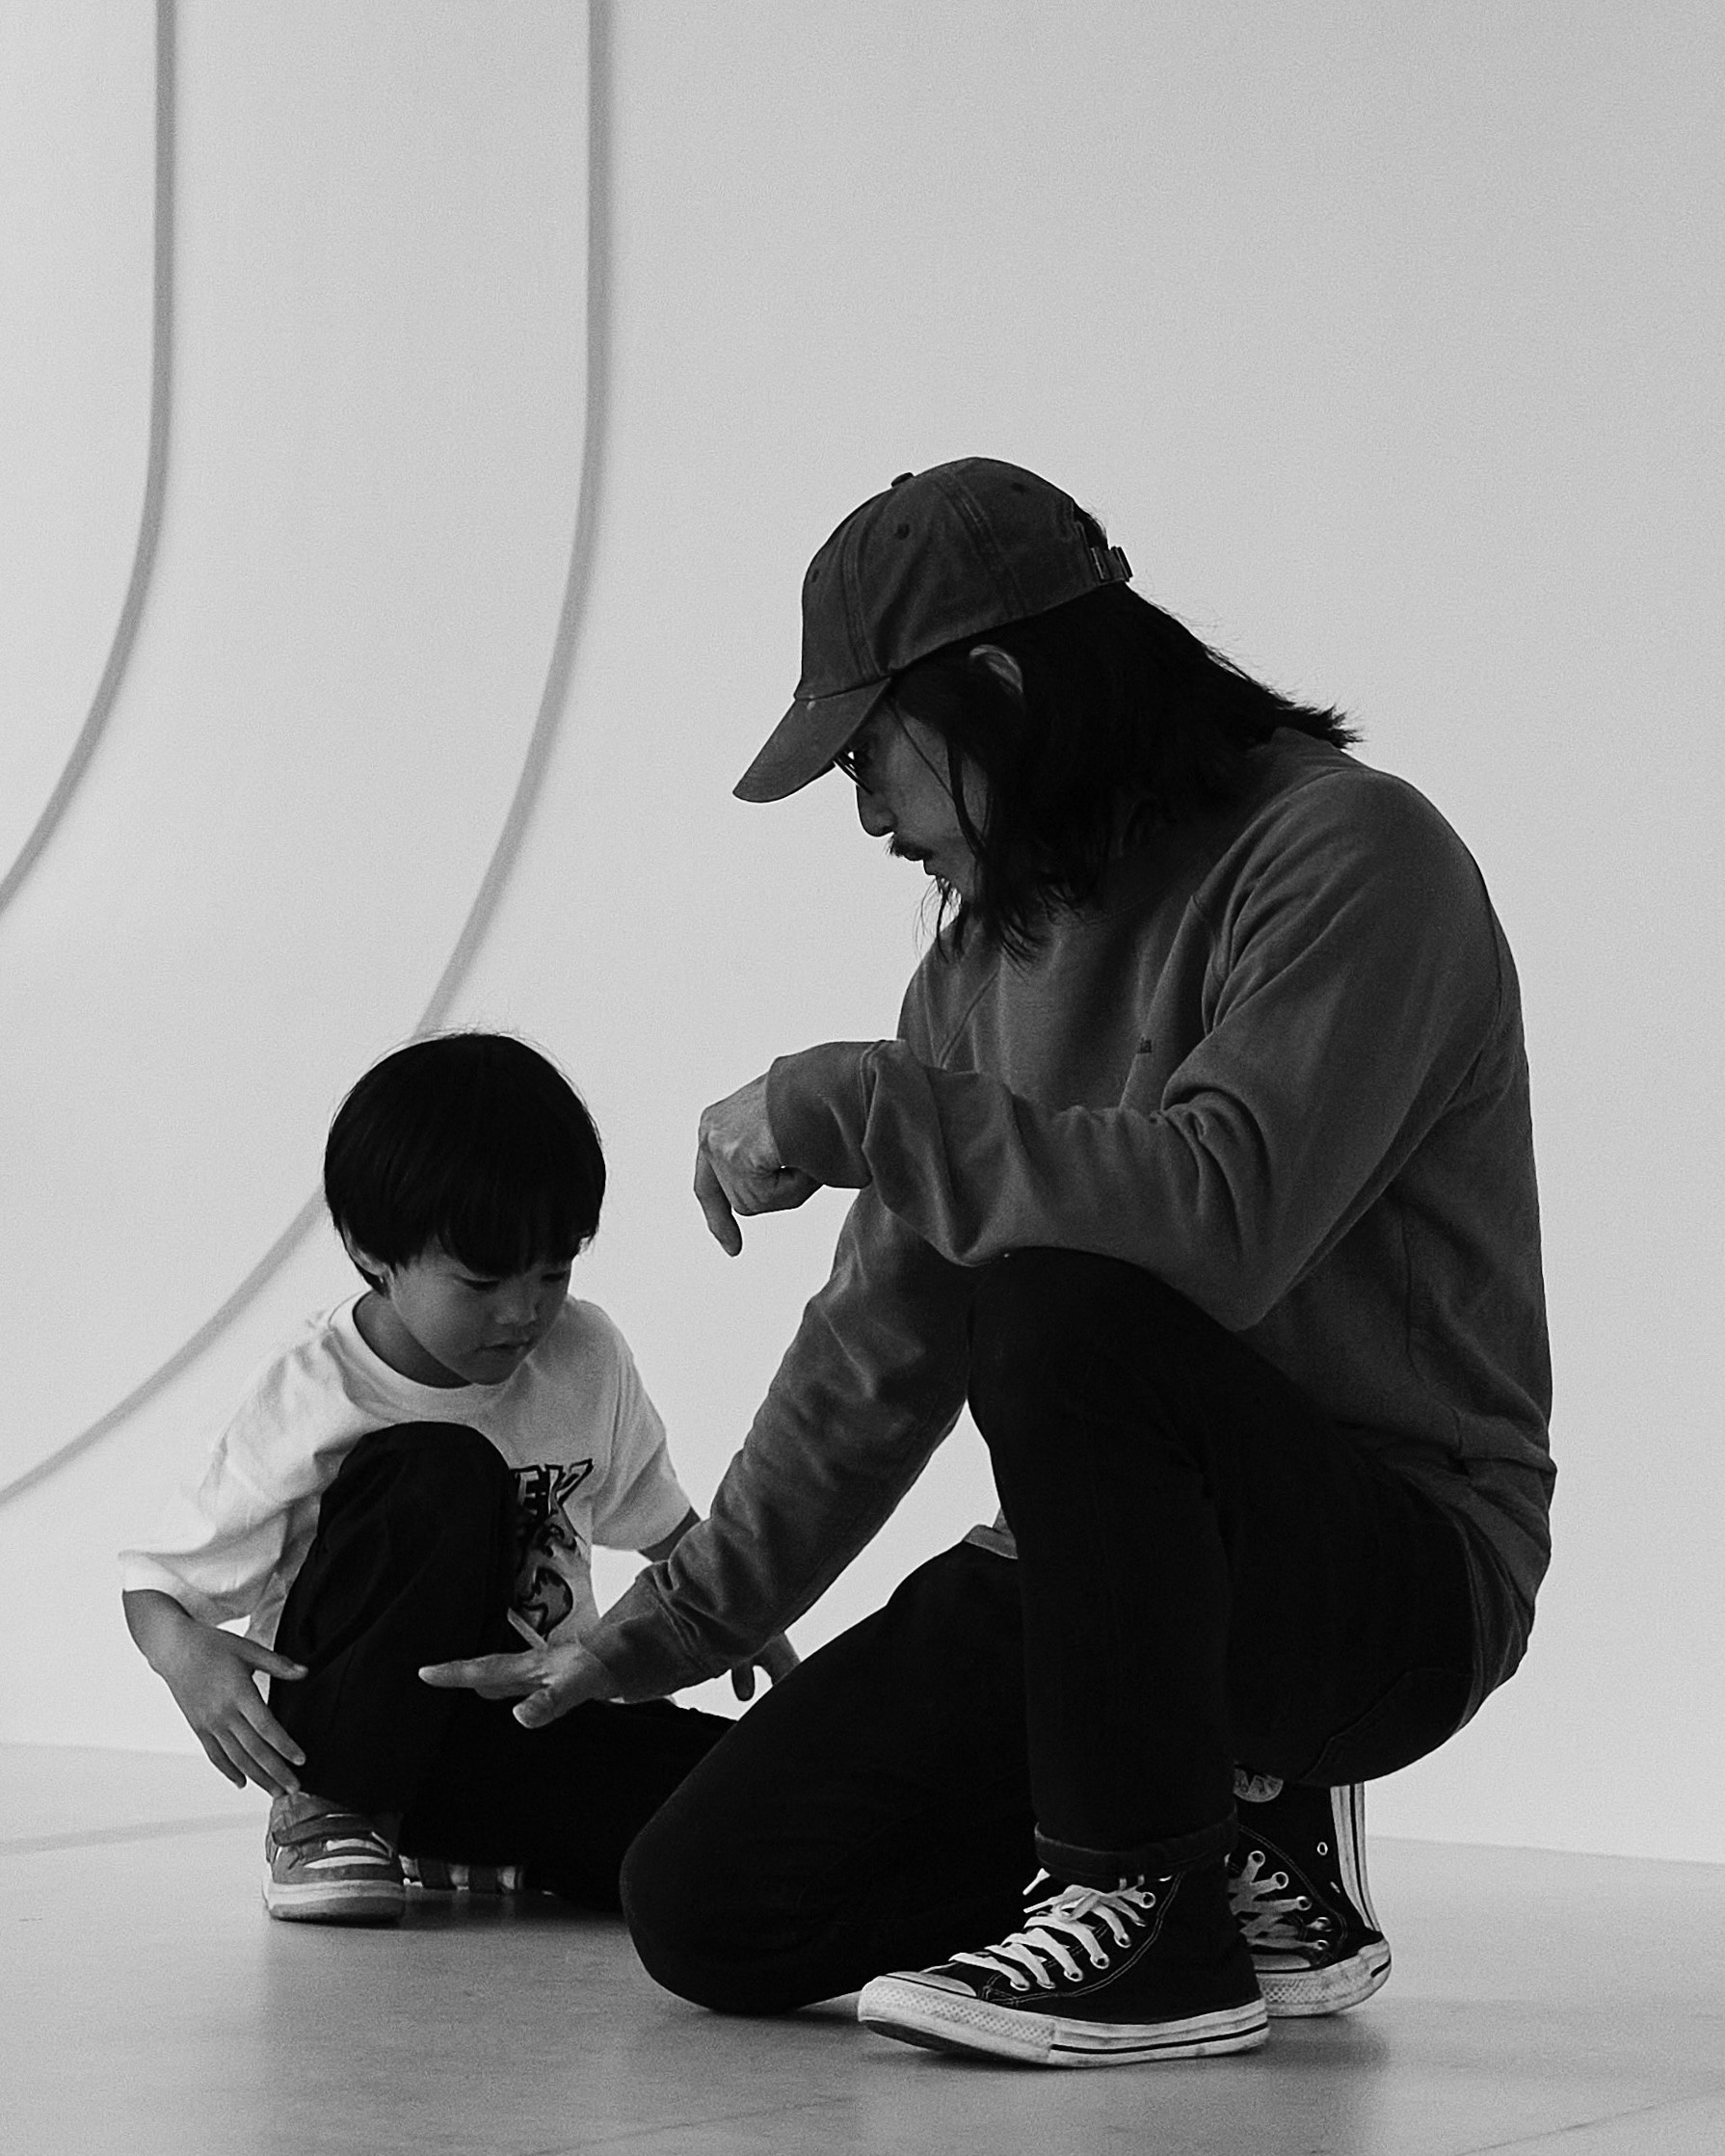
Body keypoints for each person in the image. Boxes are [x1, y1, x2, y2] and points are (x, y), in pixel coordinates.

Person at [424, 459, 1553, 2069]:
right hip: (1110, 1577)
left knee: (1064, 1301)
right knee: (711, 1902)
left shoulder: (1353, 859)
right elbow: (877, 1348)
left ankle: (1155, 1918)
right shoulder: (980, 967)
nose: (863, 807)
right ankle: (1218, 1833)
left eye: (870, 751)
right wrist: (666, 1624)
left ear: (1001, 693)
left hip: (1392, 1575)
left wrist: (858, 1103)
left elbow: (1223, 1221)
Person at [120, 1031, 794, 1925]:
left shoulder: (585, 1354)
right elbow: (155, 1583)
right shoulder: (316, 1388)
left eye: (552, 1270)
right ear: (371, 1249)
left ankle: (477, 1857)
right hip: (364, 1740)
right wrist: (191, 1664)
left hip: (524, 1724)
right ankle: (334, 1824)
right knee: (442, 1468)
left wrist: (741, 1614)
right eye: (480, 1283)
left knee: (754, 1801)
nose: (523, 1311)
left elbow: (664, 1523)